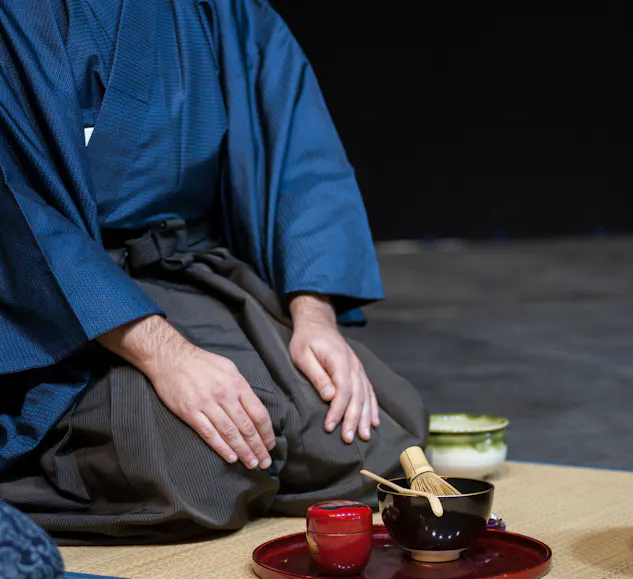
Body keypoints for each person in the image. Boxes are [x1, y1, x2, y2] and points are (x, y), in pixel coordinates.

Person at [0, 0, 428, 545]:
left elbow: (302, 157)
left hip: (184, 266)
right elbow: (17, 210)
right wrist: (167, 357)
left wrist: (313, 317)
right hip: (59, 300)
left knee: (369, 442)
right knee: (199, 476)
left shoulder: (221, 8)